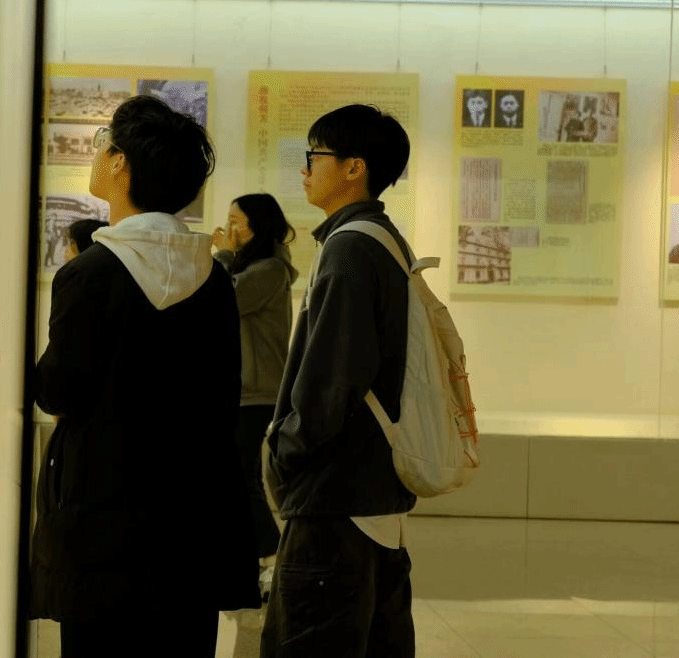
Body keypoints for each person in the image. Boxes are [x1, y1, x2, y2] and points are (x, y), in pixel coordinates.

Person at [30, 95, 260, 657]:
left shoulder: (89, 274)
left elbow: (58, 390)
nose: (98, 153)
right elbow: (222, 395)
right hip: (192, 519)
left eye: (103, 143)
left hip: (103, 518)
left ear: (120, 164)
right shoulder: (212, 278)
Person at [261, 104, 416, 658]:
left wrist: (285, 451)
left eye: (315, 155)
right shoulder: (382, 240)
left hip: (334, 500)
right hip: (370, 495)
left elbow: (332, 379)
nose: (305, 169)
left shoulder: (350, 248)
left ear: (354, 167)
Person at [210, 194, 297, 598]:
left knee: (242, 477)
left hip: (256, 391)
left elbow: (223, 301)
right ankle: (252, 560)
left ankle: (272, 555)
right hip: (242, 389)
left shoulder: (270, 270)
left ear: (257, 225)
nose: (229, 229)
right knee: (237, 475)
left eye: (237, 221)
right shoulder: (257, 267)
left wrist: (223, 257)